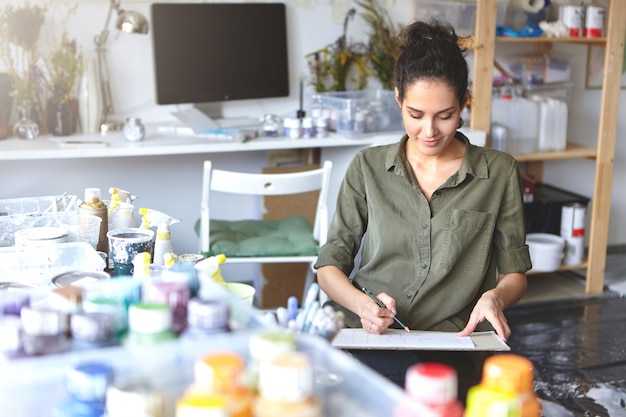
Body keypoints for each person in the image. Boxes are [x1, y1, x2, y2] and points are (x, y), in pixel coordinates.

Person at [314, 19, 532, 402]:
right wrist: (363, 306)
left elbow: (514, 274)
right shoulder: (367, 168)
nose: (429, 130)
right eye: (415, 114)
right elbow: (329, 268)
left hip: (453, 340)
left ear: (465, 101)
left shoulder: (498, 172)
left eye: (444, 115)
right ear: (398, 99)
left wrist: (496, 297)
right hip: (370, 334)